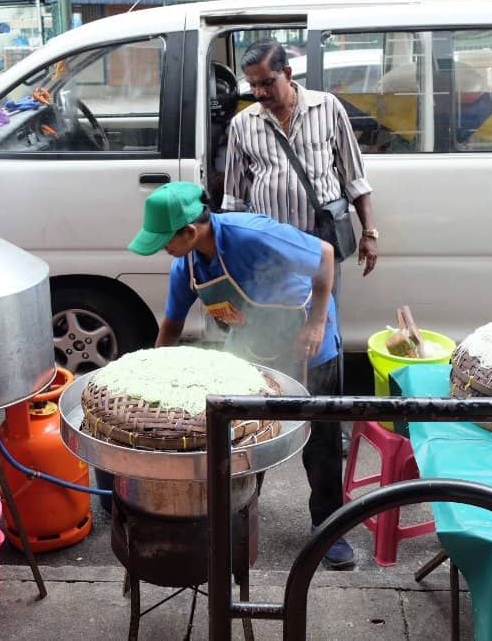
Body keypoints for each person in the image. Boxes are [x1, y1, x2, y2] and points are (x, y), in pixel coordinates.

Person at [129, 181, 355, 570]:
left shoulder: (252, 234)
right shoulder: (186, 267)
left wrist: (317, 323)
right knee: (247, 439)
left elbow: (326, 255)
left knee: (320, 443)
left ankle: (329, 525)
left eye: (165, 240)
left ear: (189, 231)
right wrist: (149, 376)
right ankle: (241, 514)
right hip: (256, 348)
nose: (162, 248)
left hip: (307, 341)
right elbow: (170, 326)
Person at [222, 38, 378, 283]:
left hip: (321, 241)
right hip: (270, 243)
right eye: (252, 85)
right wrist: (234, 250)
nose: (259, 92)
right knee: (278, 315)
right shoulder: (242, 124)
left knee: (324, 315)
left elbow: (355, 179)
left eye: (267, 83)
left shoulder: (328, 107)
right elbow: (235, 201)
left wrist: (369, 233)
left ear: (286, 72)